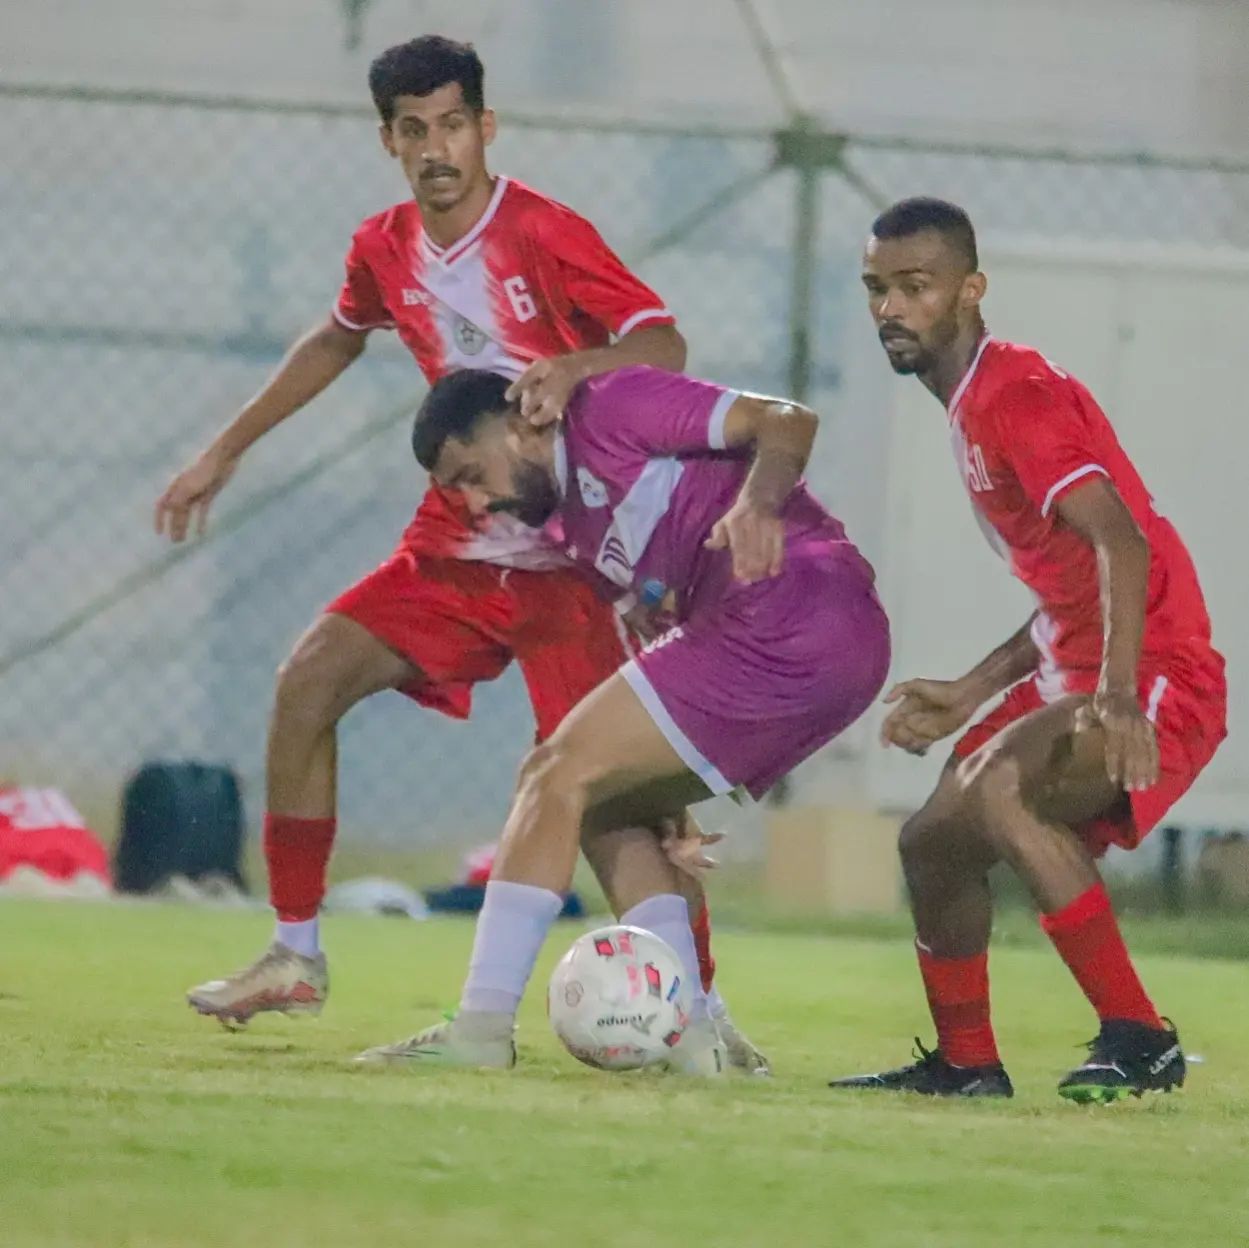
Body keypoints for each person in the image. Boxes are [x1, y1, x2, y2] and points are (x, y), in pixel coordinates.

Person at [155, 35, 761, 1068]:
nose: (435, 149)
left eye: (450, 126)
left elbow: (662, 343)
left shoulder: (542, 230)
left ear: (485, 127)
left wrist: (576, 368)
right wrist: (224, 448)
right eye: (412, 130)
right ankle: (296, 951)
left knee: (613, 802)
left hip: (576, 560)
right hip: (457, 548)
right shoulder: (383, 248)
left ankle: (698, 1014)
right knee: (307, 680)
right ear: (387, 140)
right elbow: (337, 335)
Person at [353, 365, 889, 1070]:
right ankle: (692, 1042)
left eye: (473, 475)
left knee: (553, 772)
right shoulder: (575, 529)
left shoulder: (609, 407)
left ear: (519, 425)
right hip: (820, 654)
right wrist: (665, 800)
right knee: (598, 803)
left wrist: (758, 506)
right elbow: (656, 674)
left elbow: (788, 420)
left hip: (792, 609)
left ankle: (480, 1030)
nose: (479, 503)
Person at [829, 198, 1226, 1102]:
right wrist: (971, 690)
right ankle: (967, 1065)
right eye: (877, 289)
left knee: (1001, 786)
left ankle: (1138, 1035)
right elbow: (1068, 590)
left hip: (1155, 672)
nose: (890, 308)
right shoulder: (971, 405)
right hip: (1074, 672)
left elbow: (1119, 542)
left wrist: (1116, 695)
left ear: (970, 290)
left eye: (915, 286)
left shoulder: (1015, 394)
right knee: (931, 842)